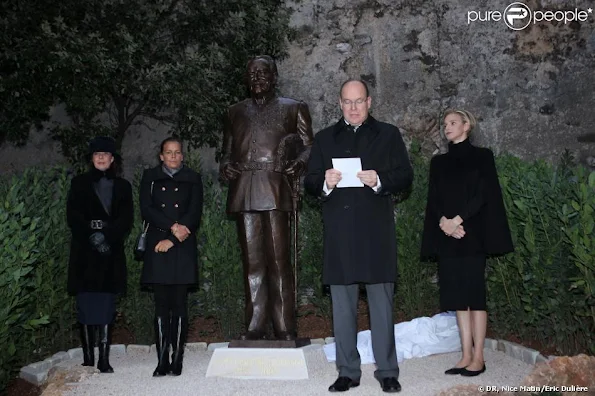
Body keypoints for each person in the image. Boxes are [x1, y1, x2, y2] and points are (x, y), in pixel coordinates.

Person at [304, 79, 413, 393]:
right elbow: (309, 183)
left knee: (382, 307)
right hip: (340, 233)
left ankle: (388, 371)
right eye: (347, 102)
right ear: (340, 103)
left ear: (370, 102)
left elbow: (406, 176)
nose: (353, 108)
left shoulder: (389, 134)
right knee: (342, 309)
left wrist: (380, 179)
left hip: (376, 233)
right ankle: (348, 371)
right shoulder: (324, 139)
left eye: (359, 101)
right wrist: (324, 182)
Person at [219, 55, 314, 341]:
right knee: (253, 263)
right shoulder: (233, 111)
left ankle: (284, 324)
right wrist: (225, 167)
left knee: (279, 261)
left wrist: (299, 162)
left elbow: (310, 146)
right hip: (245, 190)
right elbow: (225, 152)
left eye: (263, 73)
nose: (257, 78)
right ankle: (255, 324)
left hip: (276, 189)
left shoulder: (293, 108)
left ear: (274, 77)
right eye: (252, 73)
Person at [420, 109, 513, 377]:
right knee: (458, 298)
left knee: (475, 297)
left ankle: (479, 357)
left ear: (466, 125)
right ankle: (465, 355)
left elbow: (484, 194)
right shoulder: (438, 162)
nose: (447, 127)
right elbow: (434, 199)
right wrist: (444, 223)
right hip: (448, 235)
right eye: (445, 124)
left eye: (452, 123)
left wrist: (458, 221)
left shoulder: (482, 157)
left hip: (472, 234)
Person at [67, 136, 133, 373]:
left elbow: (127, 219)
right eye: (97, 154)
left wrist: (108, 237)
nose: (102, 157)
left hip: (109, 254)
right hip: (85, 254)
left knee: (106, 305)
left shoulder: (123, 186)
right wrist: (92, 235)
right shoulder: (78, 183)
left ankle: (104, 359)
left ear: (112, 159)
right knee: (85, 304)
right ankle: (88, 358)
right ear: (91, 158)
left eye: (106, 154)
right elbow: (72, 216)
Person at [139, 137, 203, 376]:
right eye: (169, 152)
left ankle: (177, 359)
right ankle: (161, 360)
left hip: (181, 247)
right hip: (158, 246)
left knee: (179, 304)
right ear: (161, 156)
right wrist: (171, 227)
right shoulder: (150, 177)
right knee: (161, 304)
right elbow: (147, 210)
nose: (173, 156)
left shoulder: (193, 178)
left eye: (177, 153)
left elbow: (194, 213)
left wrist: (174, 238)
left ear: (182, 156)